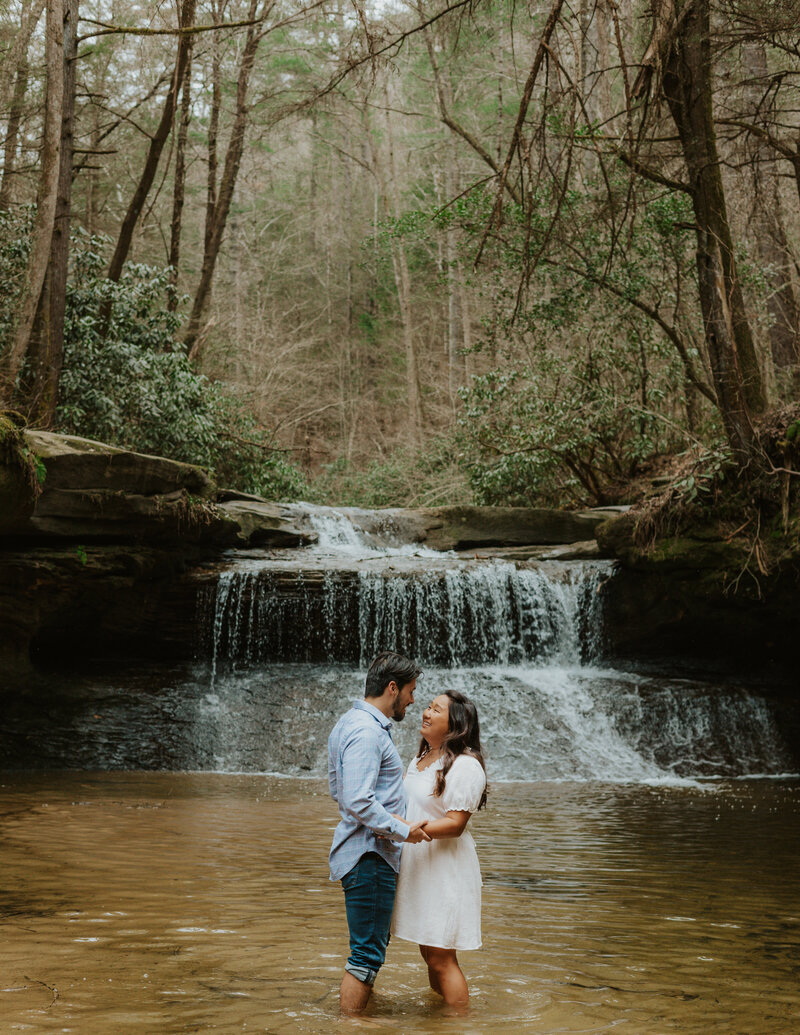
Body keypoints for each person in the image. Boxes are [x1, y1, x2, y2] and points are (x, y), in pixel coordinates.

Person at [327, 650, 431, 1016]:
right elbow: (356, 799)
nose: (414, 699)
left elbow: (337, 789)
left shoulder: (349, 723)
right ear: (392, 688)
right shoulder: (367, 731)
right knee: (366, 955)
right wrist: (402, 829)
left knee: (369, 948)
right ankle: (350, 1024)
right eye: (411, 690)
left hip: (365, 853)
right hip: (369, 855)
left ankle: (357, 1017)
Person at [390, 689, 488, 1013]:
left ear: (455, 724)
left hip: (446, 868)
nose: (426, 712)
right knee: (429, 953)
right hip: (421, 864)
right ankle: (441, 1017)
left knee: (441, 955)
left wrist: (405, 829)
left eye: (436, 709)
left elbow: (455, 824)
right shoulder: (420, 759)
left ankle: (459, 1022)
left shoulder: (465, 766)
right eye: (428, 706)